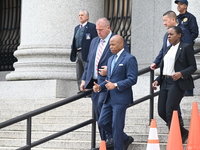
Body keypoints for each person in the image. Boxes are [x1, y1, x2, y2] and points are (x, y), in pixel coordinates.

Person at [152, 26, 197, 144]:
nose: (169, 36)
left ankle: (175, 135)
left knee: (170, 110)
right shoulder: (167, 49)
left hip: (177, 83)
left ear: (179, 35)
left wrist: (181, 73)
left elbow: (193, 67)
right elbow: (165, 68)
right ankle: (183, 132)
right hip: (165, 82)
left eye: (171, 34)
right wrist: (158, 80)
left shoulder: (186, 47)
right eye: (168, 34)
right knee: (161, 111)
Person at [93, 35, 138, 150]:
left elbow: (132, 79)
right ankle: (125, 138)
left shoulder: (129, 58)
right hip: (109, 98)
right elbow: (110, 79)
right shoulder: (110, 59)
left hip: (121, 98)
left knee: (117, 126)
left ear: (121, 44)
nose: (111, 47)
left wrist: (116, 85)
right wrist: (100, 87)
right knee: (102, 122)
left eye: (113, 44)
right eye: (110, 45)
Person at [150, 10, 194, 96]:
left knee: (172, 104)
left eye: (165, 20)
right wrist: (156, 62)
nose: (164, 23)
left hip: (179, 75)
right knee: (171, 105)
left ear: (173, 20)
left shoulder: (183, 31)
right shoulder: (166, 35)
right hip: (167, 73)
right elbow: (163, 50)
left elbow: (188, 50)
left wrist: (183, 73)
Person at [70, 10, 97, 92]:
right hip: (78, 53)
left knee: (88, 72)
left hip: (87, 53)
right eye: (79, 15)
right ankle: (81, 90)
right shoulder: (77, 28)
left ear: (87, 17)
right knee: (79, 73)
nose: (80, 17)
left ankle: (88, 90)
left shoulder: (92, 27)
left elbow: (95, 41)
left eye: (82, 15)